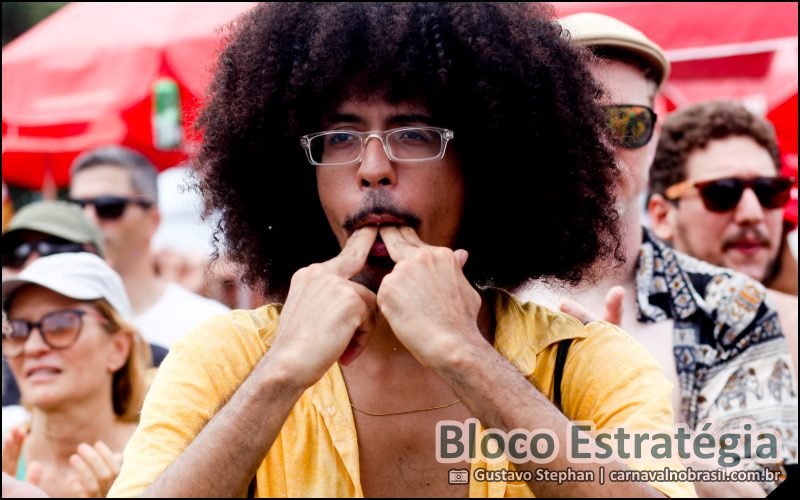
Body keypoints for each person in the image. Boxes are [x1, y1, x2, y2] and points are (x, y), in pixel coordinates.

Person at [110, 4, 695, 498]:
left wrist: (466, 355)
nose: (373, 167)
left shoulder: (582, 363)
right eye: (340, 137)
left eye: (414, 133)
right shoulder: (226, 358)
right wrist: (280, 373)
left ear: (486, 162)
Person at [517, 13, 797, 495]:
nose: (600, 147)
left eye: (626, 124)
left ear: (654, 137)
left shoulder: (732, 306)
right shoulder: (474, 291)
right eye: (572, 121)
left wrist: (627, 401)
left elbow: (761, 489)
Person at [648, 102, 799, 381]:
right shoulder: (622, 343)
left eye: (769, 191)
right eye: (722, 192)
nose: (752, 214)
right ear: (663, 216)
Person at [1, 253, 150, 497]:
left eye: (60, 325)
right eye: (16, 329)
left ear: (118, 348)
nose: (33, 347)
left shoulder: (163, 462)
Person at [1, 202, 167, 415]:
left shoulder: (167, 373)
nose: (33, 261)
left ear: (119, 346)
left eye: (61, 324)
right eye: (14, 253)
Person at [67, 145, 230, 348]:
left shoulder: (206, 325)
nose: (89, 219)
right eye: (78, 207)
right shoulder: (50, 321)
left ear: (152, 220)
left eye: (108, 206)